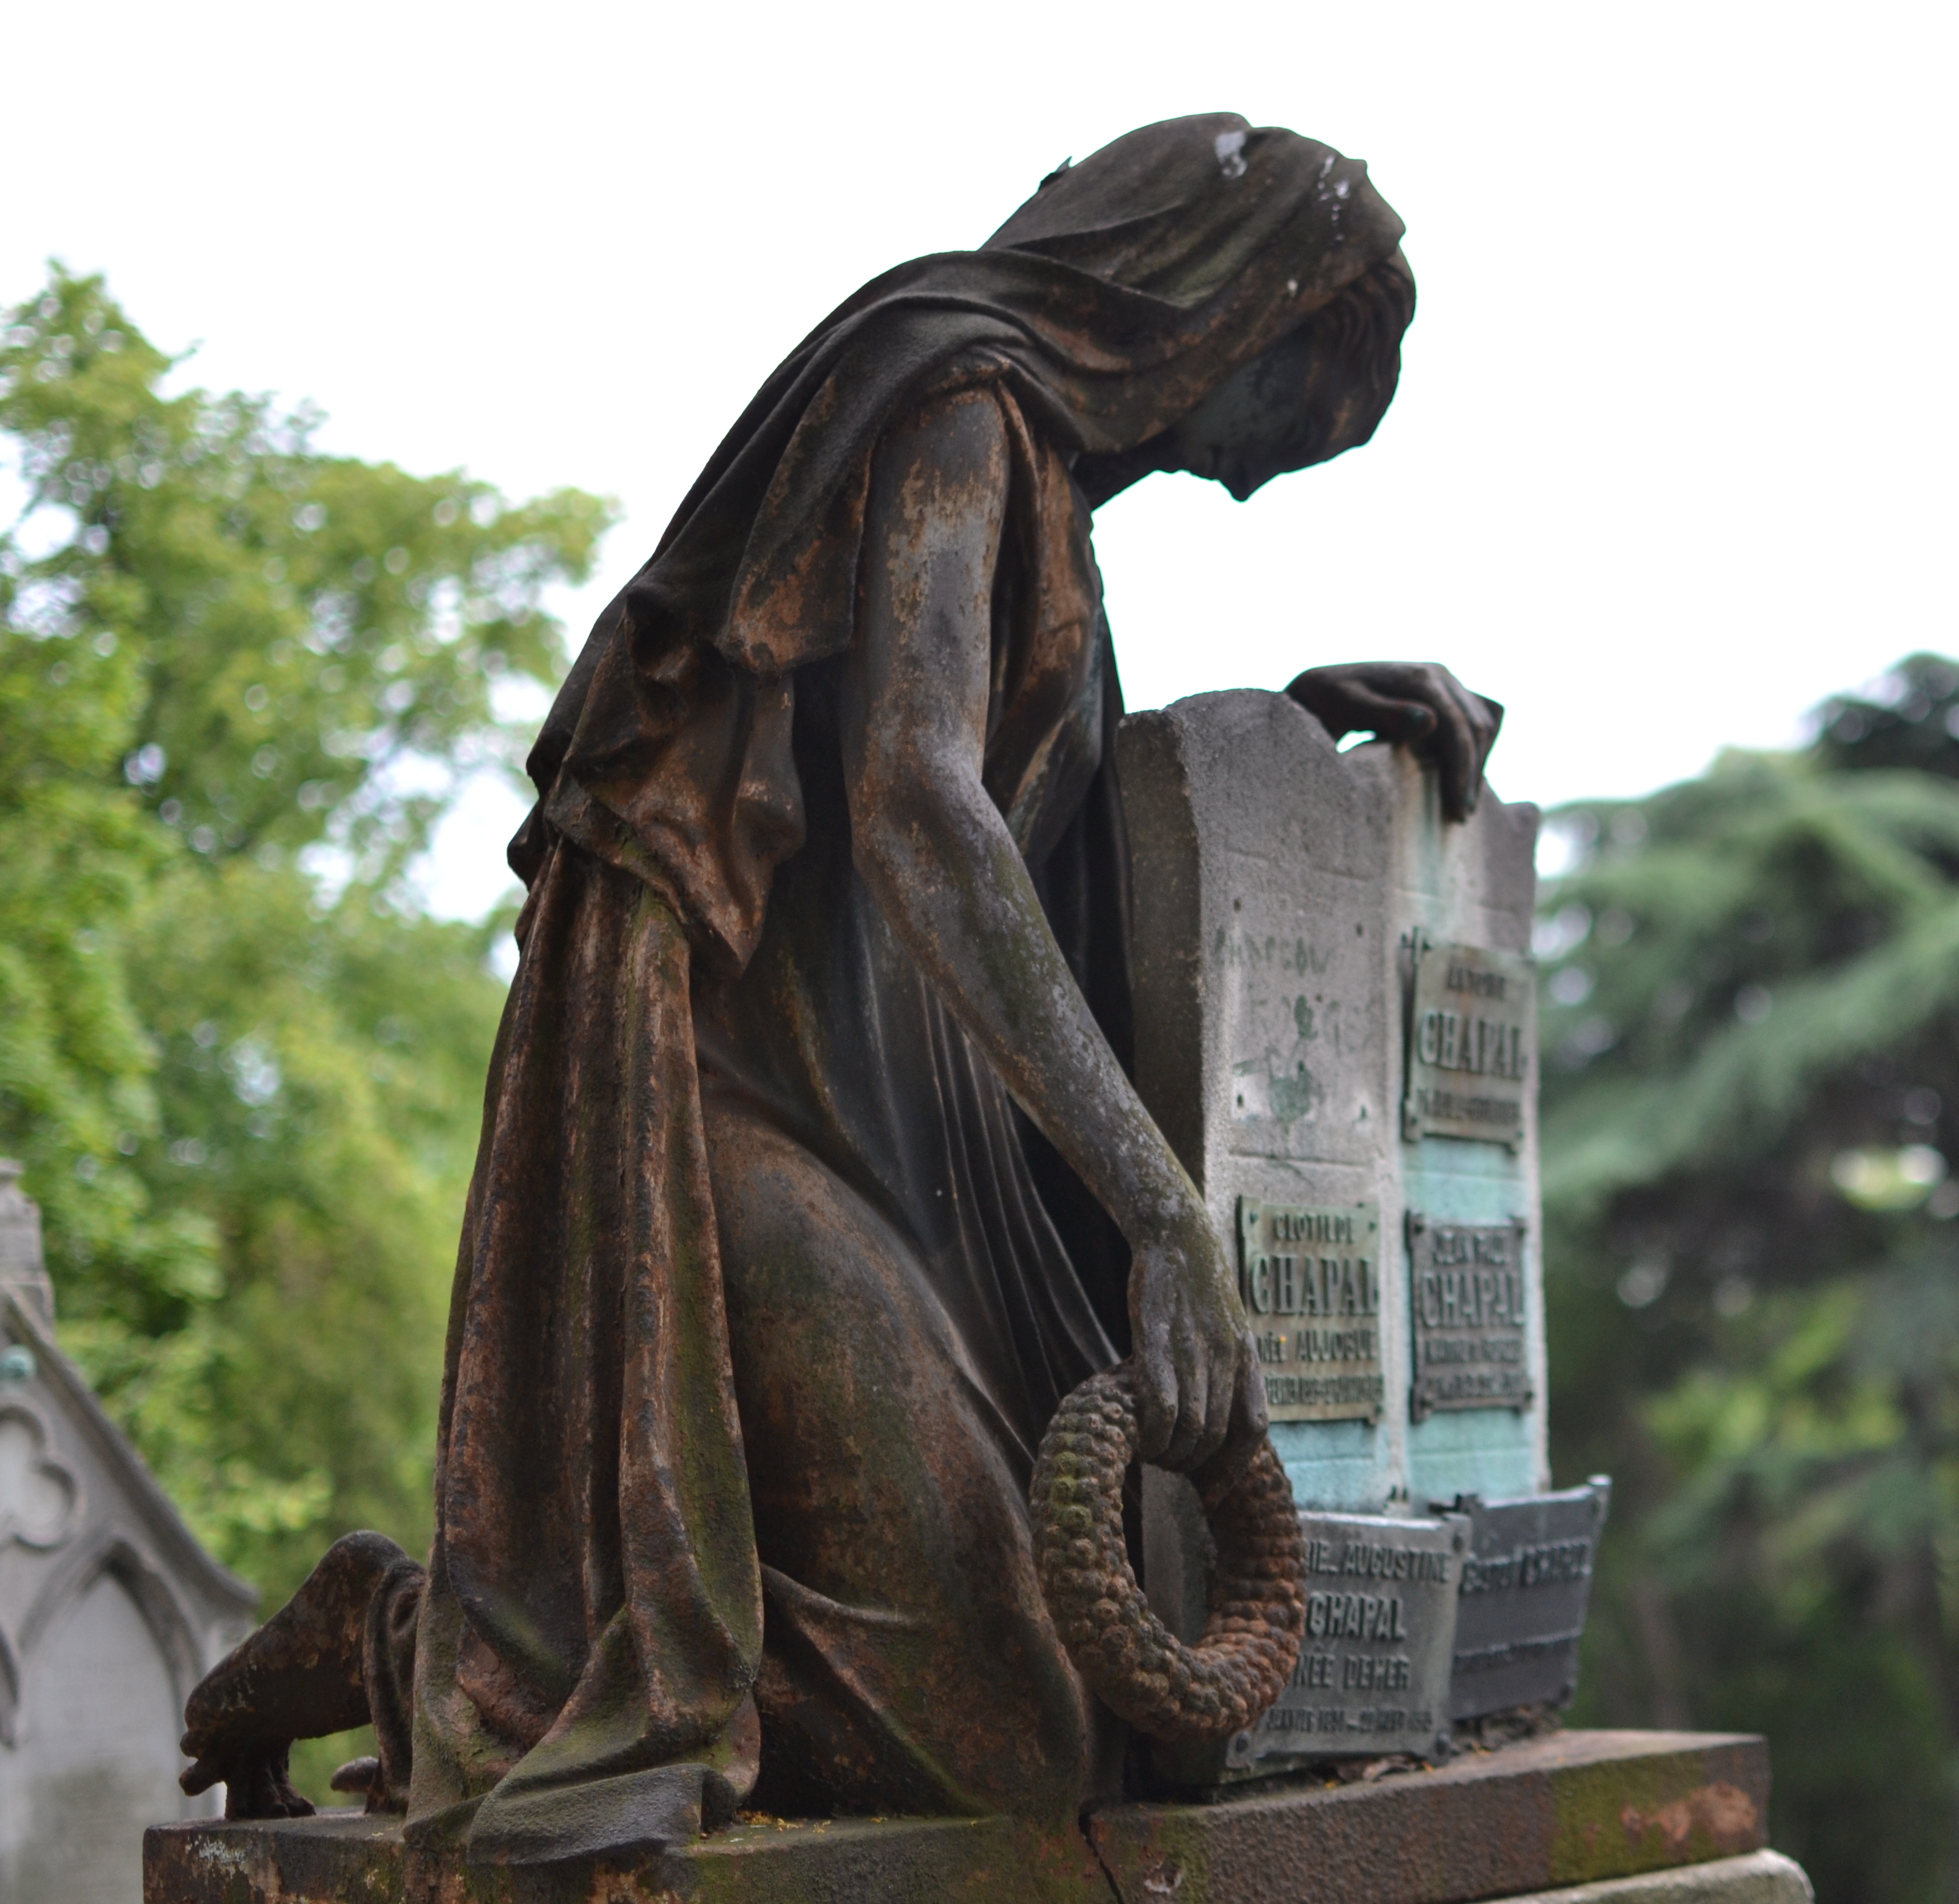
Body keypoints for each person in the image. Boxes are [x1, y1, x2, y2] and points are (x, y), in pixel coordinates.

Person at [176, 113, 1499, 1866]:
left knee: (1064, 1706)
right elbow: (918, 811)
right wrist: (1163, 1210)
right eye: (1285, 419)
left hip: (914, 1141)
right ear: (1215, 305)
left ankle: (546, 1639)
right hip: (747, 1114)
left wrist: (1278, 732)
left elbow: (1040, 838)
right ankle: (418, 1640)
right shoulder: (956, 401)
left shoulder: (1044, 509)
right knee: (999, 1733)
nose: (1251, 478)